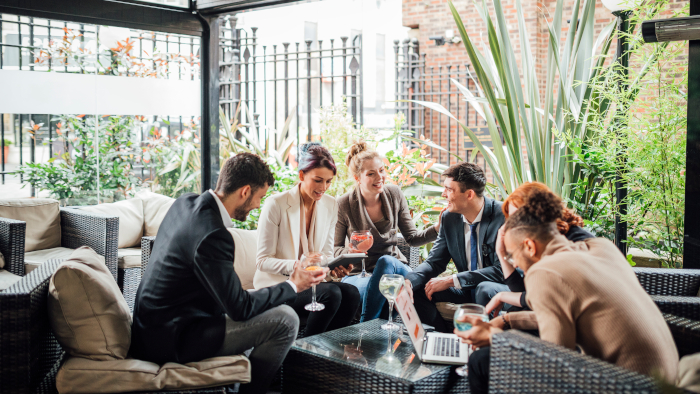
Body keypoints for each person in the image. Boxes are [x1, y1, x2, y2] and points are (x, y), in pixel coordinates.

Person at [131, 153, 327, 394]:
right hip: (173, 338)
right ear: (245, 191)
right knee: (286, 320)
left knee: (269, 307)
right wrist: (294, 285)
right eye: (259, 198)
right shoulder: (214, 235)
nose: (257, 206)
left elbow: (225, 294)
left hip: (150, 327)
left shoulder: (185, 203)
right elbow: (240, 308)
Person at [456, 189, 679, 394]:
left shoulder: (545, 271)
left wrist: (493, 337)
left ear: (530, 247)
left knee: (481, 361)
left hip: (627, 385)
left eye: (512, 256)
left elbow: (555, 363)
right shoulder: (602, 246)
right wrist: (508, 321)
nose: (515, 264)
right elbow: (571, 313)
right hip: (666, 378)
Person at [255, 142, 361, 336]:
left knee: (352, 293)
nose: (324, 188)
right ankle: (305, 351)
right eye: (318, 180)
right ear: (302, 175)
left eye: (328, 181)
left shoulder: (330, 205)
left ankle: (328, 353)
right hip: (279, 286)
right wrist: (300, 265)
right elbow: (262, 261)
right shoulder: (276, 204)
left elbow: (326, 255)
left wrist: (336, 269)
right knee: (331, 294)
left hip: (311, 285)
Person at [335, 141, 440, 322]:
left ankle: (365, 330)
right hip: (360, 274)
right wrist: (349, 253)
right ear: (357, 177)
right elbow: (335, 249)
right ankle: (379, 338)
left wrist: (438, 228)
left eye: (382, 170)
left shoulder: (394, 194)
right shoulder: (344, 204)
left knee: (386, 262)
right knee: (384, 288)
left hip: (395, 266)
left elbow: (413, 238)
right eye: (371, 173)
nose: (380, 177)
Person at [404, 162, 506, 333]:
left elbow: (501, 271)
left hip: (498, 289)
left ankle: (478, 344)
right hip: (466, 289)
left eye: (449, 189)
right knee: (419, 287)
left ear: (469, 194)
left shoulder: (503, 216)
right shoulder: (448, 218)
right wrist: (410, 280)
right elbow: (434, 262)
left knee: (484, 288)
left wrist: (453, 280)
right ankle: (438, 338)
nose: (444, 194)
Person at [486, 181, 594, 316]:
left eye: (519, 218)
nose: (514, 226)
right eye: (511, 220)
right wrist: (501, 253)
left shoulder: (574, 243)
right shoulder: (537, 242)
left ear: (539, 212)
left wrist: (503, 298)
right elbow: (526, 290)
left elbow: (546, 299)